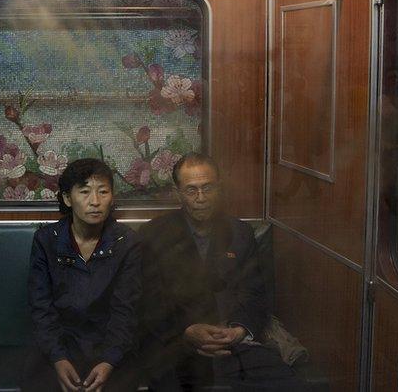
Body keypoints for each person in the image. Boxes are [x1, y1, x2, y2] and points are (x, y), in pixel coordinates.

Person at [138, 153, 299, 391]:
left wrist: (239, 329)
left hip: (231, 338)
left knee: (289, 383)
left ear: (219, 188)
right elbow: (147, 300)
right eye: (191, 190)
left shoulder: (240, 233)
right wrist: (186, 330)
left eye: (207, 188)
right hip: (175, 342)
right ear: (178, 192)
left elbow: (256, 292)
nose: (201, 198)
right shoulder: (154, 234)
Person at [24, 158, 142, 392]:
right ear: (68, 198)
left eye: (103, 192)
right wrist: (58, 357)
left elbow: (125, 311)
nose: (95, 202)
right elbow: (41, 308)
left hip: (110, 347)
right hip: (58, 345)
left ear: (112, 197)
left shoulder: (127, 242)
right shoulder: (47, 240)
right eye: (85, 192)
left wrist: (109, 360)